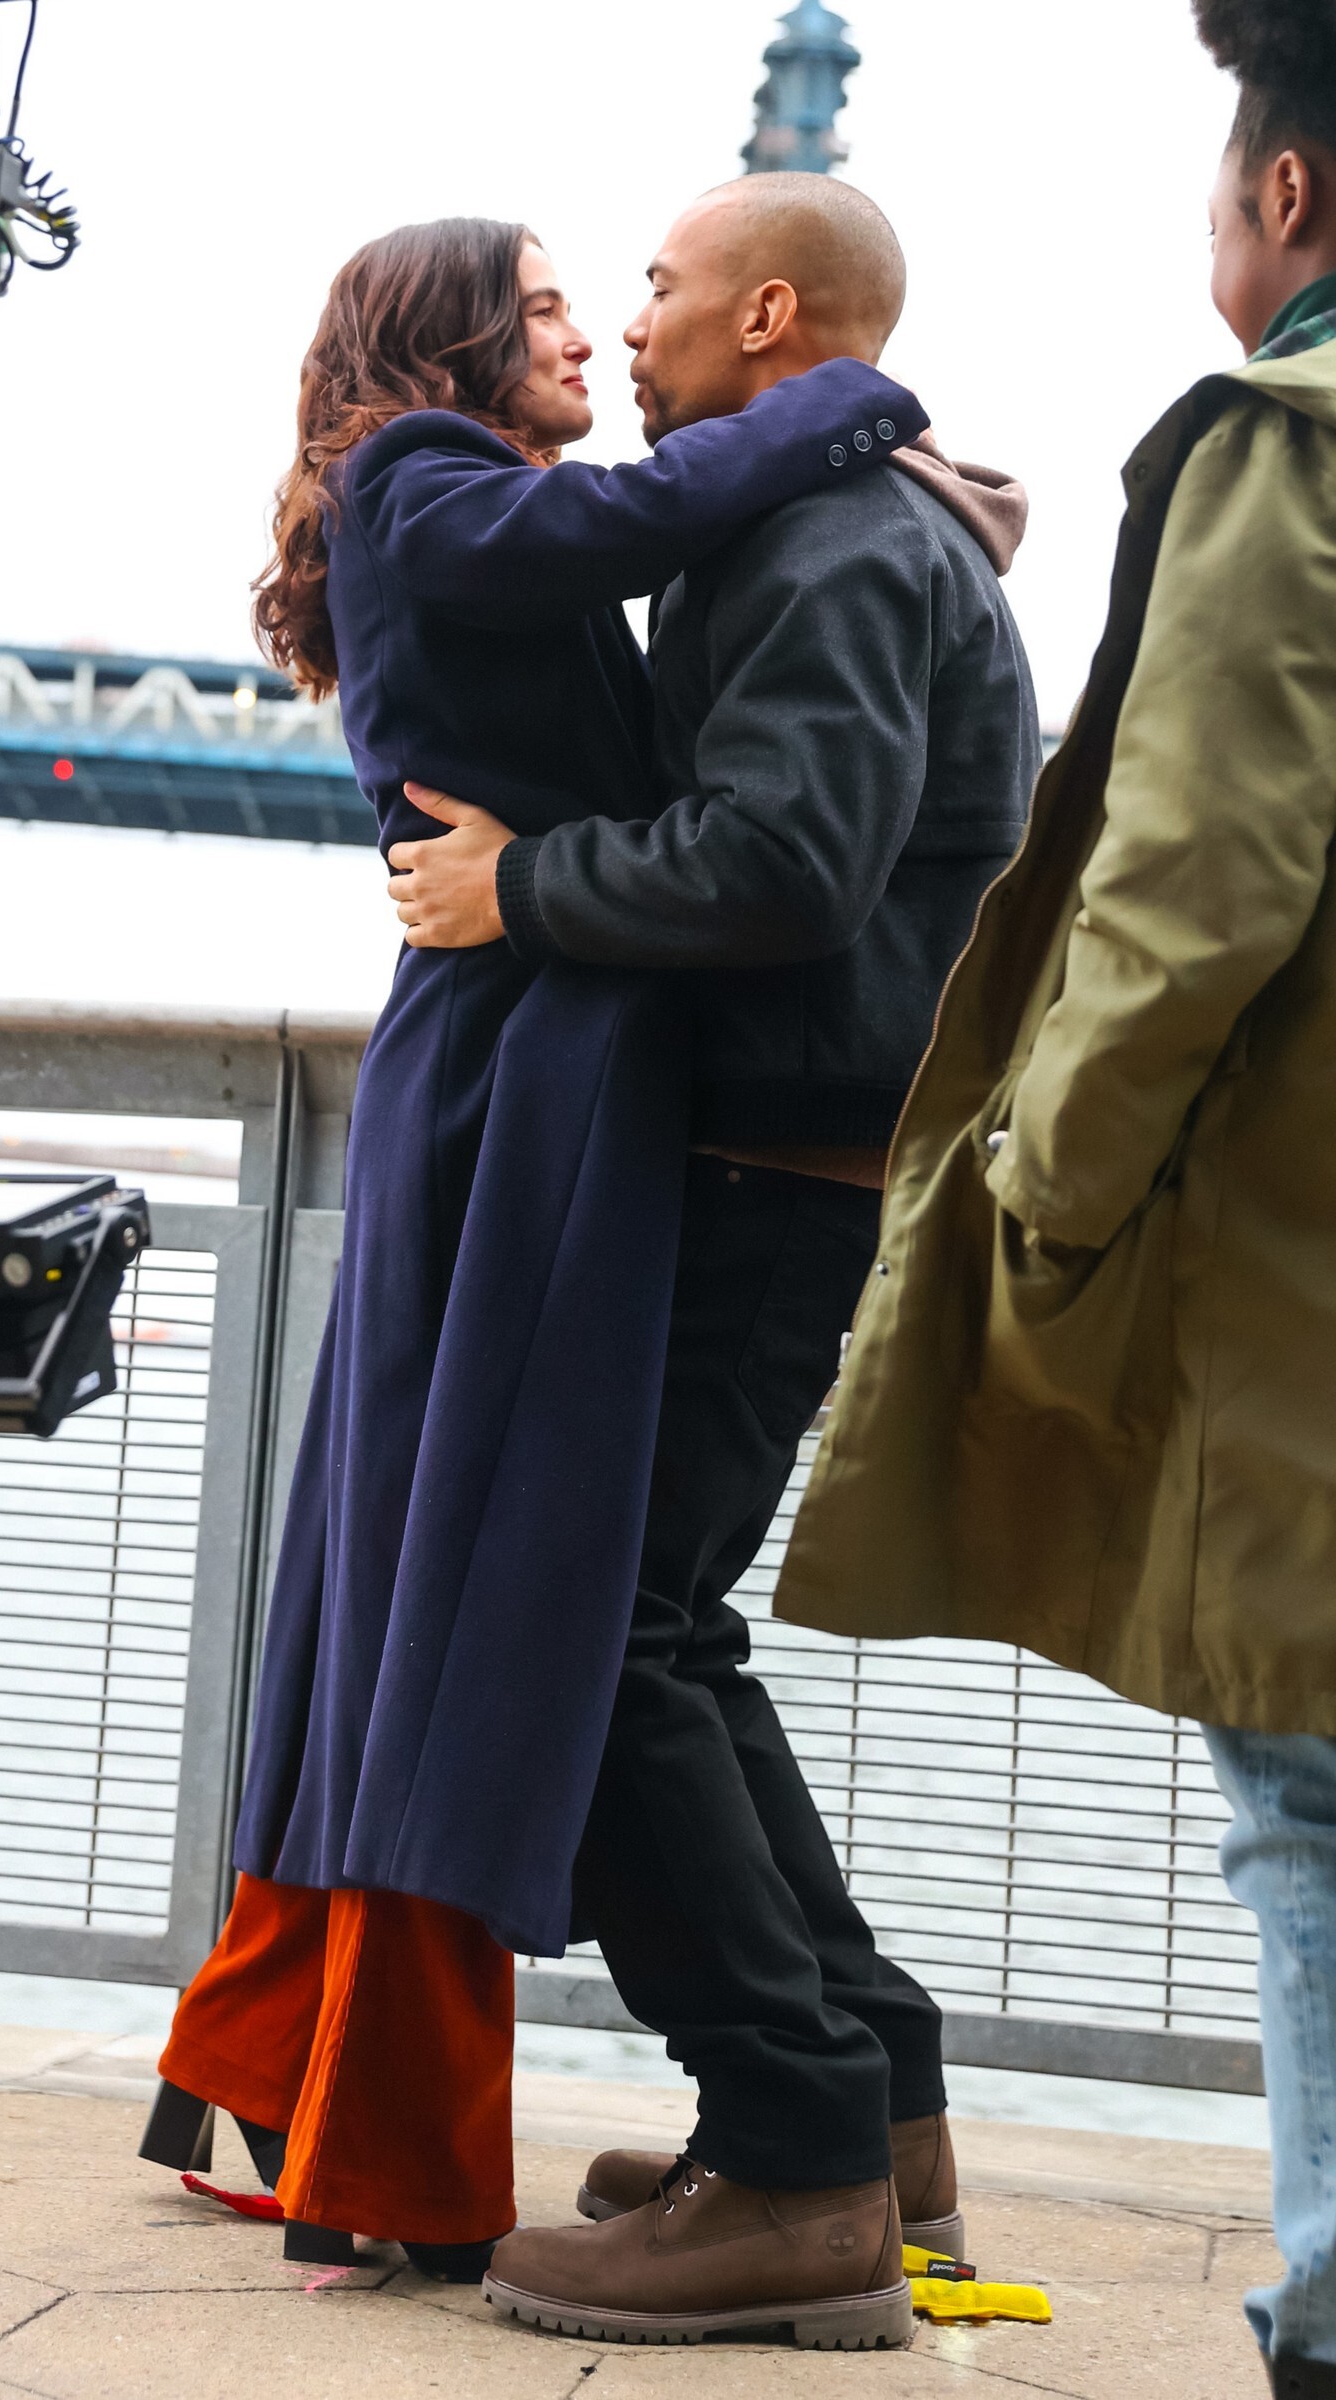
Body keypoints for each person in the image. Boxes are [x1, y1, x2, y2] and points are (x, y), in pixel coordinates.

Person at [137, 214, 929, 2287]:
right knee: (508, 1585)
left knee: (517, 1592)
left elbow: (666, 586)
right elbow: (641, 523)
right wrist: (857, 407)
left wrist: (881, 468)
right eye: (557, 302)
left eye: (616, 296)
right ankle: (437, 2104)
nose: (596, 330)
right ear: (455, 337)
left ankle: (793, 2114)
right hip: (518, 1071)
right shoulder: (418, 473)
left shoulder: (487, 505)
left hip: (551, 1051)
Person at [390, 172, 1038, 2348]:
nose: (635, 325)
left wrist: (523, 885)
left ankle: (788, 2164)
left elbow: (784, 860)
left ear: (766, 316)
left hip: (775, 1167)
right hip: (800, 1155)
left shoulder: (831, 539)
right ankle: (872, 2114)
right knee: (663, 1634)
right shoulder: (847, 526)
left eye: (659, 288)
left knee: (592, 1653)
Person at [768, 8, 1336, 2394]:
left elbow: (1190, 880)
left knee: (1307, 1794)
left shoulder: (1282, 443)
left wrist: (1041, 1182)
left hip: (1297, 1274)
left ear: (1280, 195)